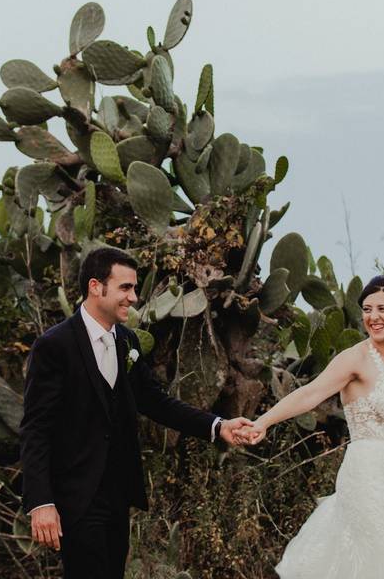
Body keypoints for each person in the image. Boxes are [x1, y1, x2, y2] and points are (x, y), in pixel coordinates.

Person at [19, 247, 253, 579]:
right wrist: (41, 502)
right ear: (95, 287)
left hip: (117, 494)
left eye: (134, 288)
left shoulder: (126, 341)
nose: (134, 297)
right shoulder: (55, 345)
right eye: (125, 288)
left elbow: (157, 402)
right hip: (76, 495)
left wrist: (218, 425)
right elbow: (35, 428)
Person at [238, 275, 384, 578]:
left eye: (382, 309)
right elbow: (310, 393)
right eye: (366, 309)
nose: (373, 317)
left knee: (368, 564)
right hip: (367, 474)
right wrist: (263, 422)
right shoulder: (354, 359)